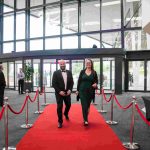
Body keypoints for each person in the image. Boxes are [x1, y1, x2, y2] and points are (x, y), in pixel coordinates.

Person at [52, 59, 74, 128]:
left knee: (69, 105)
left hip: (67, 92)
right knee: (59, 107)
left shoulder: (69, 72)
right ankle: (60, 121)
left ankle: (66, 113)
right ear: (59, 65)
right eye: (61, 64)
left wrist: (70, 90)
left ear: (65, 64)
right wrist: (59, 91)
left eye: (63, 64)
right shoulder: (55, 73)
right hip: (59, 93)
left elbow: (71, 82)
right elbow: (54, 84)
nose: (62, 65)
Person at [76, 59, 98, 126]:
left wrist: (95, 84)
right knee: (84, 105)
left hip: (90, 91)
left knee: (87, 106)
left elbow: (96, 81)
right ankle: (85, 120)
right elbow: (79, 81)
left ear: (91, 64)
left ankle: (86, 117)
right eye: (87, 63)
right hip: (82, 91)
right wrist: (77, 90)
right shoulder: (82, 72)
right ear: (85, 64)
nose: (88, 64)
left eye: (89, 63)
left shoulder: (94, 72)